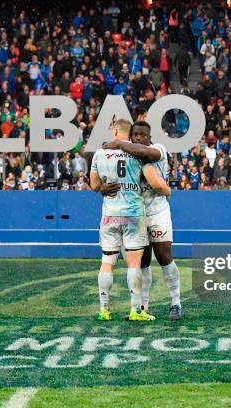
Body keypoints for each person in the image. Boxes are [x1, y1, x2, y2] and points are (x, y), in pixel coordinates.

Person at [90, 119, 170, 322]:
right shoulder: (138, 155)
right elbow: (154, 183)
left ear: (115, 130)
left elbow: (94, 184)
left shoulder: (99, 153)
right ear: (130, 133)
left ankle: (104, 311)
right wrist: (167, 191)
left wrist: (102, 189)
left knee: (107, 262)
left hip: (109, 214)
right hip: (133, 214)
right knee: (134, 264)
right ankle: (136, 310)